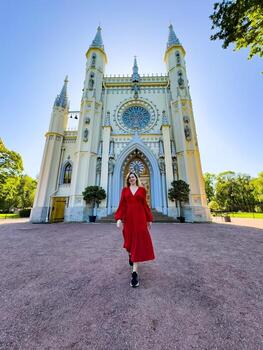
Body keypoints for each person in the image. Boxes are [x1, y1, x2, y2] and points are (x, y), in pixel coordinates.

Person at [114, 171, 155, 288]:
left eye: (133, 177)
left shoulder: (142, 190)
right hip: (128, 219)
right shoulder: (125, 191)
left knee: (137, 243)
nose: (132, 178)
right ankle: (130, 254)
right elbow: (122, 205)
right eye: (130, 177)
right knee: (129, 243)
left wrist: (149, 219)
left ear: (136, 178)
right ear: (128, 180)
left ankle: (134, 274)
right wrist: (118, 218)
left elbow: (145, 205)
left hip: (140, 219)